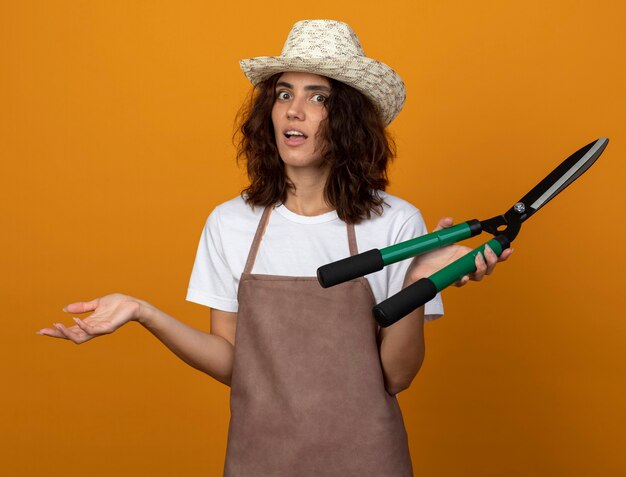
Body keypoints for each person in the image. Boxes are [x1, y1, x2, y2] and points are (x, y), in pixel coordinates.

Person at [38, 20, 512, 476]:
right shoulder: (230, 223)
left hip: (367, 462)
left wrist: (418, 283)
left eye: (317, 97)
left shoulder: (397, 223)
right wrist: (143, 311)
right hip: (259, 462)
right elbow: (232, 362)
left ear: (347, 118)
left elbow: (396, 377)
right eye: (284, 93)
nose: (293, 109)